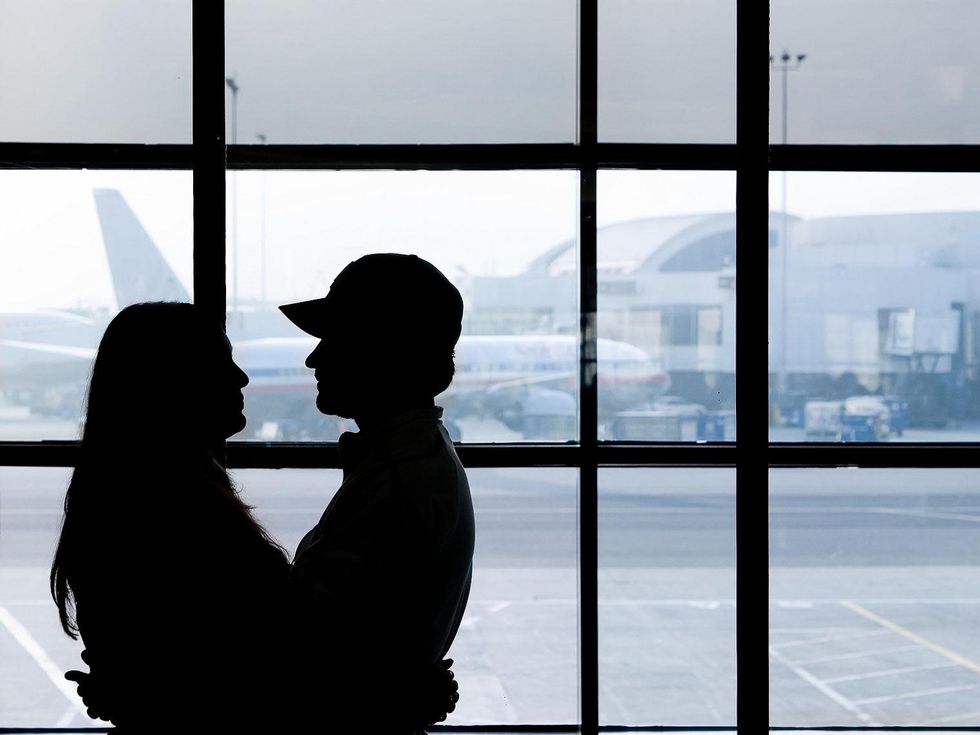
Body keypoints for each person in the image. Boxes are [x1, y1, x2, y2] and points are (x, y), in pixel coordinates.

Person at [52, 302, 457, 731]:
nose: (241, 378)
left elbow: (213, 670)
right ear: (172, 384)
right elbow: (260, 672)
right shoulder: (186, 511)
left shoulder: (138, 497)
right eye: (220, 363)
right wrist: (392, 699)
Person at [279, 253, 475, 735]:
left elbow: (304, 641)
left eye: (335, 339)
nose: (314, 357)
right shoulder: (418, 461)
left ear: (381, 351)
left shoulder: (395, 479)